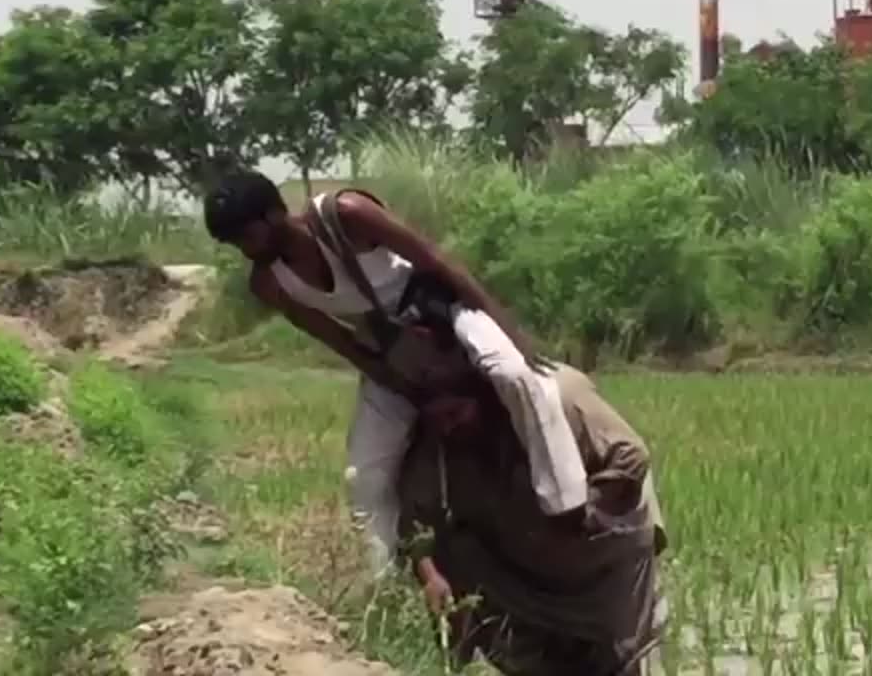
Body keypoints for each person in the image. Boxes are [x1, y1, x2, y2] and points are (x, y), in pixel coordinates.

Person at [203, 172, 588, 571]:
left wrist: (509, 331)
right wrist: (413, 391)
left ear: (273, 214)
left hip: (439, 311)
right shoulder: (269, 282)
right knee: (363, 476)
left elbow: (438, 263)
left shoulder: (346, 215)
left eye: (246, 236)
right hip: (390, 348)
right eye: (234, 243)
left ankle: (567, 502)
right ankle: (382, 577)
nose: (244, 250)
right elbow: (345, 344)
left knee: (513, 374)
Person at [399, 363, 667, 676]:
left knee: (623, 662)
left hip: (601, 563)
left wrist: (581, 514)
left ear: (485, 400)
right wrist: (431, 576)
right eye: (438, 419)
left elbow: (631, 457)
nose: (447, 427)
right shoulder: (440, 440)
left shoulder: (557, 395)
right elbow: (416, 519)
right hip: (525, 570)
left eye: (456, 414)